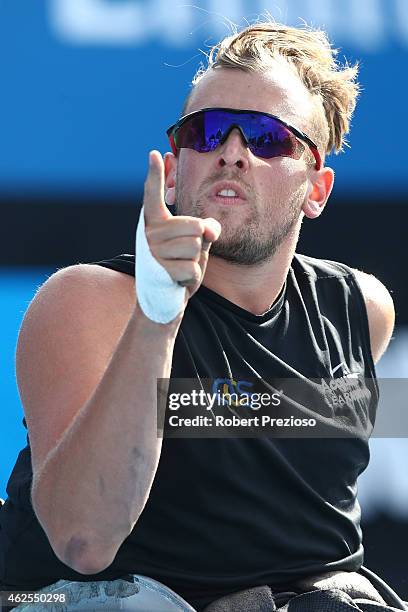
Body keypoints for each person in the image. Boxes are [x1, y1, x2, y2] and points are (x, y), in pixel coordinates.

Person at [0, 20, 404, 612]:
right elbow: (83, 541)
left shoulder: (361, 310)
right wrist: (158, 316)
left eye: (269, 139)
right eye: (207, 131)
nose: (232, 152)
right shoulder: (89, 300)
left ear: (316, 189)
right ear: (175, 164)